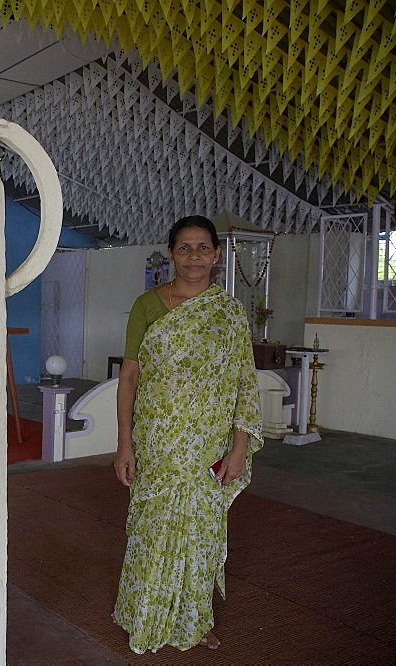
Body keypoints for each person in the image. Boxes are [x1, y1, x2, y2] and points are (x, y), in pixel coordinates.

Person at [112, 215, 262, 654]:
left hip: (208, 445)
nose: (193, 256)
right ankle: (143, 614)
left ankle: (195, 620)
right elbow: (130, 378)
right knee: (152, 531)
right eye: (184, 247)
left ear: (216, 256)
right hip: (157, 442)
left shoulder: (229, 313)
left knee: (201, 534)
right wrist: (125, 445)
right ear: (171, 254)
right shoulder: (147, 305)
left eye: (202, 248)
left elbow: (242, 383)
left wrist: (238, 450)